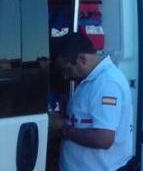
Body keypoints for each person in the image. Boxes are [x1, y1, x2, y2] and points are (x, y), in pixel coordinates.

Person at [50, 32, 134, 171]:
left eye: (66, 69)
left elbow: (103, 138)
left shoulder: (107, 83)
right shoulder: (89, 79)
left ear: (82, 59)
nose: (65, 76)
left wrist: (65, 130)